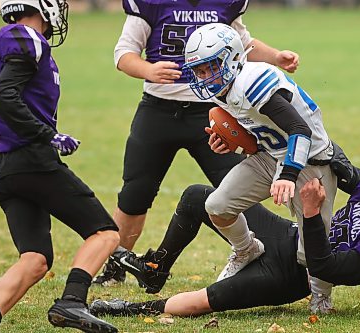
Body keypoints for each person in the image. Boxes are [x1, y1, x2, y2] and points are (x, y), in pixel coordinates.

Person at [93, 0, 301, 286]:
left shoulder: (224, 4)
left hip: (212, 111)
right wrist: (147, 70)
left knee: (236, 187)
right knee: (134, 194)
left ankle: (259, 253)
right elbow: (123, 54)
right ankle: (115, 269)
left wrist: (276, 56)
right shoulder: (152, 3)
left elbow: (243, 44)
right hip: (158, 110)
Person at [88, 162, 360, 317]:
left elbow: (323, 264)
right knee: (199, 196)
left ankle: (131, 310)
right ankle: (156, 269)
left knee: (208, 301)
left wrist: (312, 212)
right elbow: (343, 170)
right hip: (290, 235)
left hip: (294, 275)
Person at [181, 22, 337, 310]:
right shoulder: (223, 88)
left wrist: (288, 175)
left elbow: (299, 130)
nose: (204, 76)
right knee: (217, 205)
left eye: (210, 67)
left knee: (312, 245)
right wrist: (231, 143)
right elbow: (257, 134)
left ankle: (321, 295)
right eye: (199, 70)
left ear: (232, 58)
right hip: (271, 155)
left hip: (309, 160)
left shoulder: (252, 81)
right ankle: (246, 248)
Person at [0, 0, 120, 332]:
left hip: (8, 168)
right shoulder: (26, 36)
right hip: (33, 162)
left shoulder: (15, 39)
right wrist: (48, 135)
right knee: (105, 234)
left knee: (35, 260)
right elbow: (4, 94)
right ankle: (71, 302)